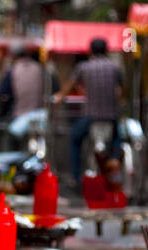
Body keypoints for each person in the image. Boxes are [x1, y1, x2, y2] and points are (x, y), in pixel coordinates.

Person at [53, 37, 124, 184]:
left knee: (75, 139)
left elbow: (70, 85)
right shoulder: (115, 68)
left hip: (90, 116)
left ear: (90, 51)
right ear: (106, 50)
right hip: (111, 116)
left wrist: (59, 97)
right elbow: (123, 90)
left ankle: (76, 176)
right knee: (118, 137)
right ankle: (115, 159)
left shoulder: (83, 67)